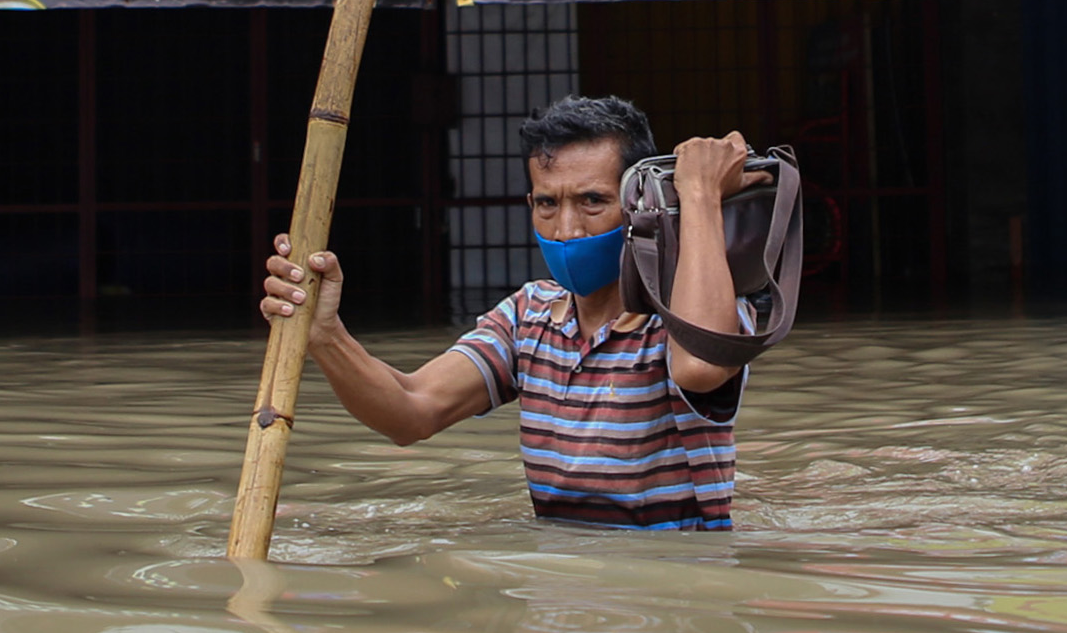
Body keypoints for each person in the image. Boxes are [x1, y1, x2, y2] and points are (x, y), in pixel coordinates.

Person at [258, 93, 762, 531]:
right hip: (556, 608)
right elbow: (410, 412)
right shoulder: (528, 317)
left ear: (639, 203)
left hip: (671, 599)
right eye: (547, 204)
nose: (567, 229)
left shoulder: (692, 310)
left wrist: (697, 194)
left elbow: (700, 366)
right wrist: (325, 335)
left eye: (592, 201)